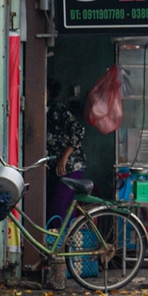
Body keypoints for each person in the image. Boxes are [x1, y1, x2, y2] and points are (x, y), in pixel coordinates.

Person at [46, 78, 88, 224]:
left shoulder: (57, 109)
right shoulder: (43, 111)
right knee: (60, 209)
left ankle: (62, 243)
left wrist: (64, 157)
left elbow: (78, 130)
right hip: (57, 170)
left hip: (71, 166)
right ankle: (68, 243)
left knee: (58, 208)